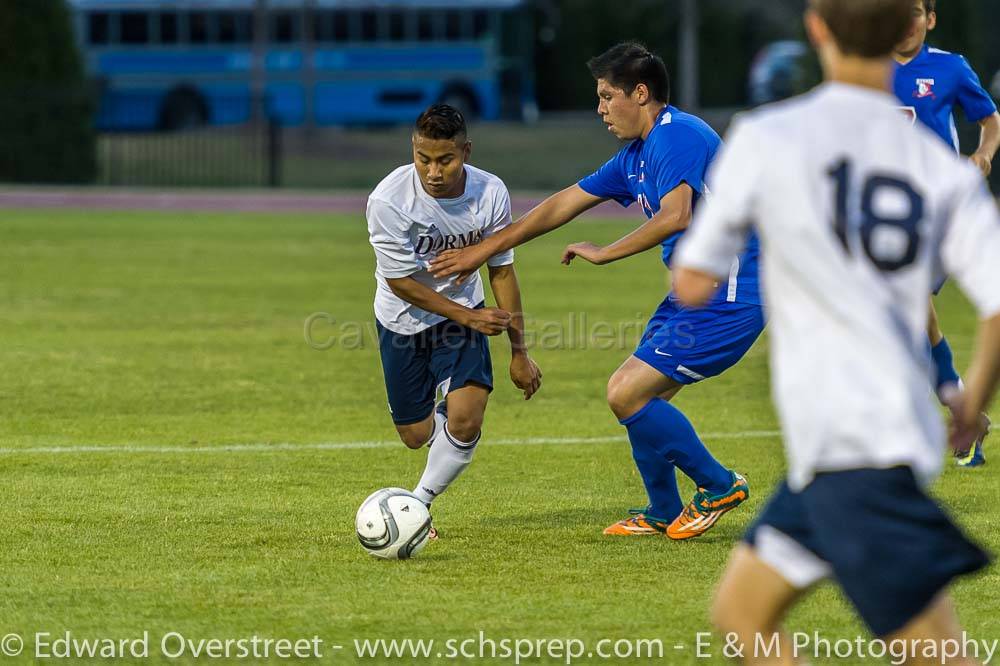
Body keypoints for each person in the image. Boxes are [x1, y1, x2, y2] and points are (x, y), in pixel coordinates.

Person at [673, 0, 1000, 661]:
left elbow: (692, 281)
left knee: (934, 652)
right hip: (843, 451)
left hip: (854, 445)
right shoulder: (941, 168)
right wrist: (972, 400)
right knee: (741, 610)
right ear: (906, 33)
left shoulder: (768, 136)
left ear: (816, 27)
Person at [430, 42, 763, 540]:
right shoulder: (636, 156)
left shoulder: (678, 136)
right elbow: (563, 204)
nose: (600, 108)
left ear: (642, 93)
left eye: (608, 97)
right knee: (642, 400)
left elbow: (677, 215)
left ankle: (718, 485)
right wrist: (484, 249)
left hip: (733, 294)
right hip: (695, 295)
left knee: (624, 393)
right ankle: (661, 511)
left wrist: (606, 251)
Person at [366, 104, 542, 536]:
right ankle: (441, 418)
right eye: (423, 159)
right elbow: (400, 282)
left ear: (466, 150)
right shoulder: (389, 200)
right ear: (413, 148)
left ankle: (418, 507)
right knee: (414, 433)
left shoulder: (490, 192)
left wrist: (519, 352)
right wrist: (468, 314)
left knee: (466, 418)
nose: (433, 171)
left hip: (464, 317)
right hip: (402, 320)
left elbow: (501, 270)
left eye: (445, 159)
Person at [893, 0, 1000, 466]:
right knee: (919, 315)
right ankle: (963, 411)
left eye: (917, 11)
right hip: (890, 216)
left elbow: (990, 121)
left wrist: (982, 156)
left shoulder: (949, 69)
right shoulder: (865, 70)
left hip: (940, 212)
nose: (909, 20)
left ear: (930, 19)